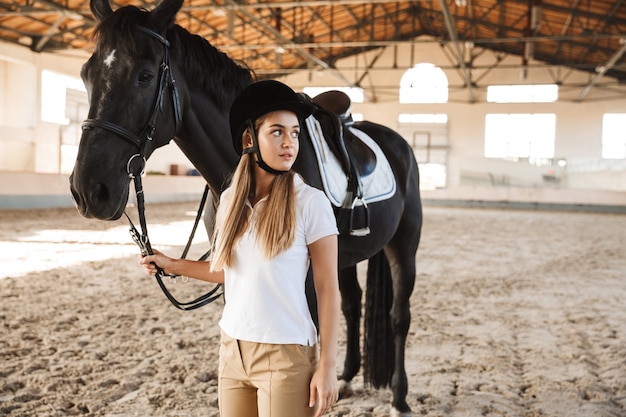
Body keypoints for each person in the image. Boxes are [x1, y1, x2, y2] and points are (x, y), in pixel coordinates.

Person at [139, 79, 340, 417]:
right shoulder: (231, 199)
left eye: (295, 133)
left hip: (286, 354)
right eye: (277, 132)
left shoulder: (311, 202)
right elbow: (229, 271)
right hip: (232, 349)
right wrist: (172, 264)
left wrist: (328, 366)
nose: (289, 143)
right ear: (250, 139)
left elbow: (328, 289)